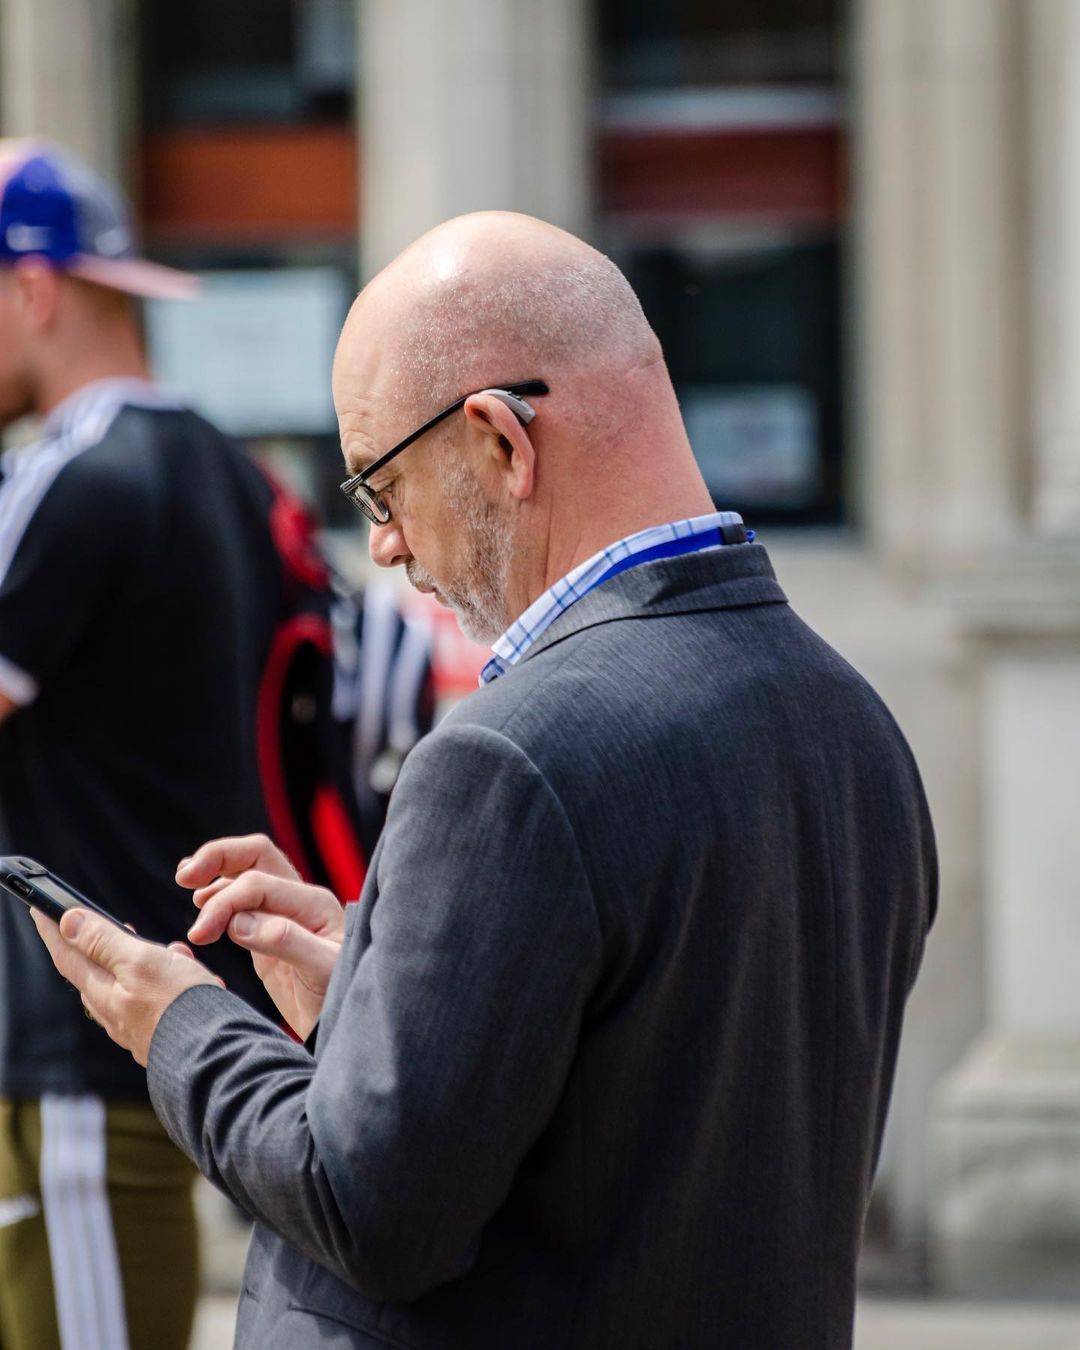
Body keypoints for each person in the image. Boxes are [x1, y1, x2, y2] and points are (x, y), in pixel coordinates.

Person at [36, 211, 937, 1350]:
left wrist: (182, 1025)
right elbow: (648, 1101)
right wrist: (377, 989)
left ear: (502, 443)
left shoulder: (506, 757)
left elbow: (367, 1207)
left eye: (379, 488)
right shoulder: (852, 723)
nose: (386, 548)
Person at [0, 140, 429, 1350]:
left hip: (82, 1023)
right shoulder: (236, 475)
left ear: (34, 290)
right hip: (209, 1016)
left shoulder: (71, 475)